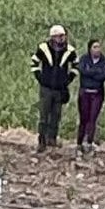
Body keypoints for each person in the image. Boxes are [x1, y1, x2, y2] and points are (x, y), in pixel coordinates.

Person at [31, 25, 79, 153]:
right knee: (44, 115)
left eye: (63, 36)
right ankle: (42, 141)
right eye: (59, 36)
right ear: (53, 37)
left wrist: (69, 79)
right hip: (46, 88)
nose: (62, 38)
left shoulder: (70, 50)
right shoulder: (43, 48)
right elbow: (34, 62)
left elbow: (76, 64)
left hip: (60, 89)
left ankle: (52, 139)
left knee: (56, 115)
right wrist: (40, 77)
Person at [76, 39, 105, 157]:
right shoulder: (84, 59)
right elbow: (83, 71)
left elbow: (104, 75)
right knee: (83, 119)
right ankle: (79, 143)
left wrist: (91, 72)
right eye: (95, 47)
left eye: (99, 47)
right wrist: (95, 72)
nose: (97, 49)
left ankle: (89, 143)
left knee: (92, 119)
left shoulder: (104, 61)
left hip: (97, 93)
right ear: (90, 48)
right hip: (84, 92)